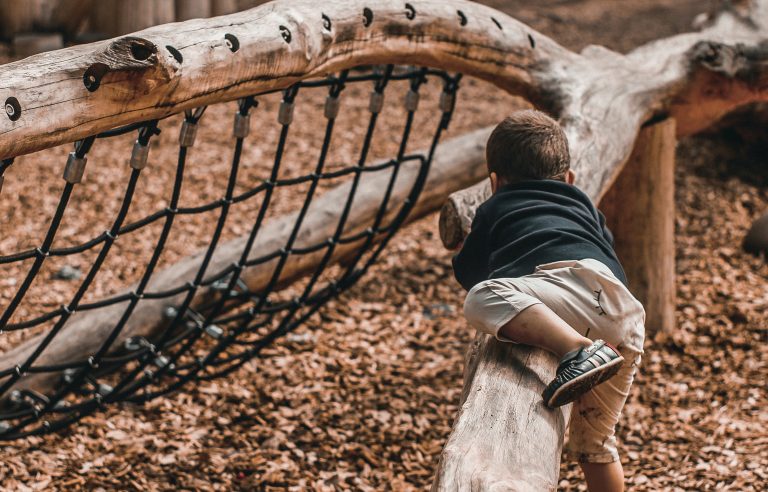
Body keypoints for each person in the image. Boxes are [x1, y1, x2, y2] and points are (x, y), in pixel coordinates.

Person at [453, 110, 645, 492]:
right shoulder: (584, 205)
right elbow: (603, 247)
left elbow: (469, 273)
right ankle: (592, 352)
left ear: (494, 182)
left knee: (480, 297)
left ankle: (576, 349)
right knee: (596, 445)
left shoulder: (495, 206)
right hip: (622, 311)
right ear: (569, 178)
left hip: (569, 293)